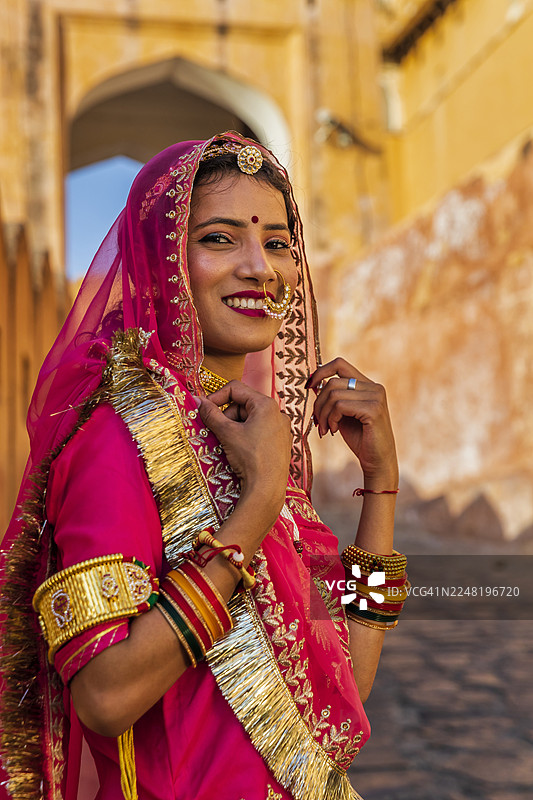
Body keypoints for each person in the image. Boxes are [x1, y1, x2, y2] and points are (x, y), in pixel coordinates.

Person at [0, 132, 404, 800]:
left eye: (277, 242)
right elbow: (105, 695)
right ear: (162, 262)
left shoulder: (250, 434)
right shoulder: (117, 440)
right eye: (220, 239)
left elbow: (346, 686)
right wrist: (258, 503)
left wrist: (381, 485)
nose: (261, 268)